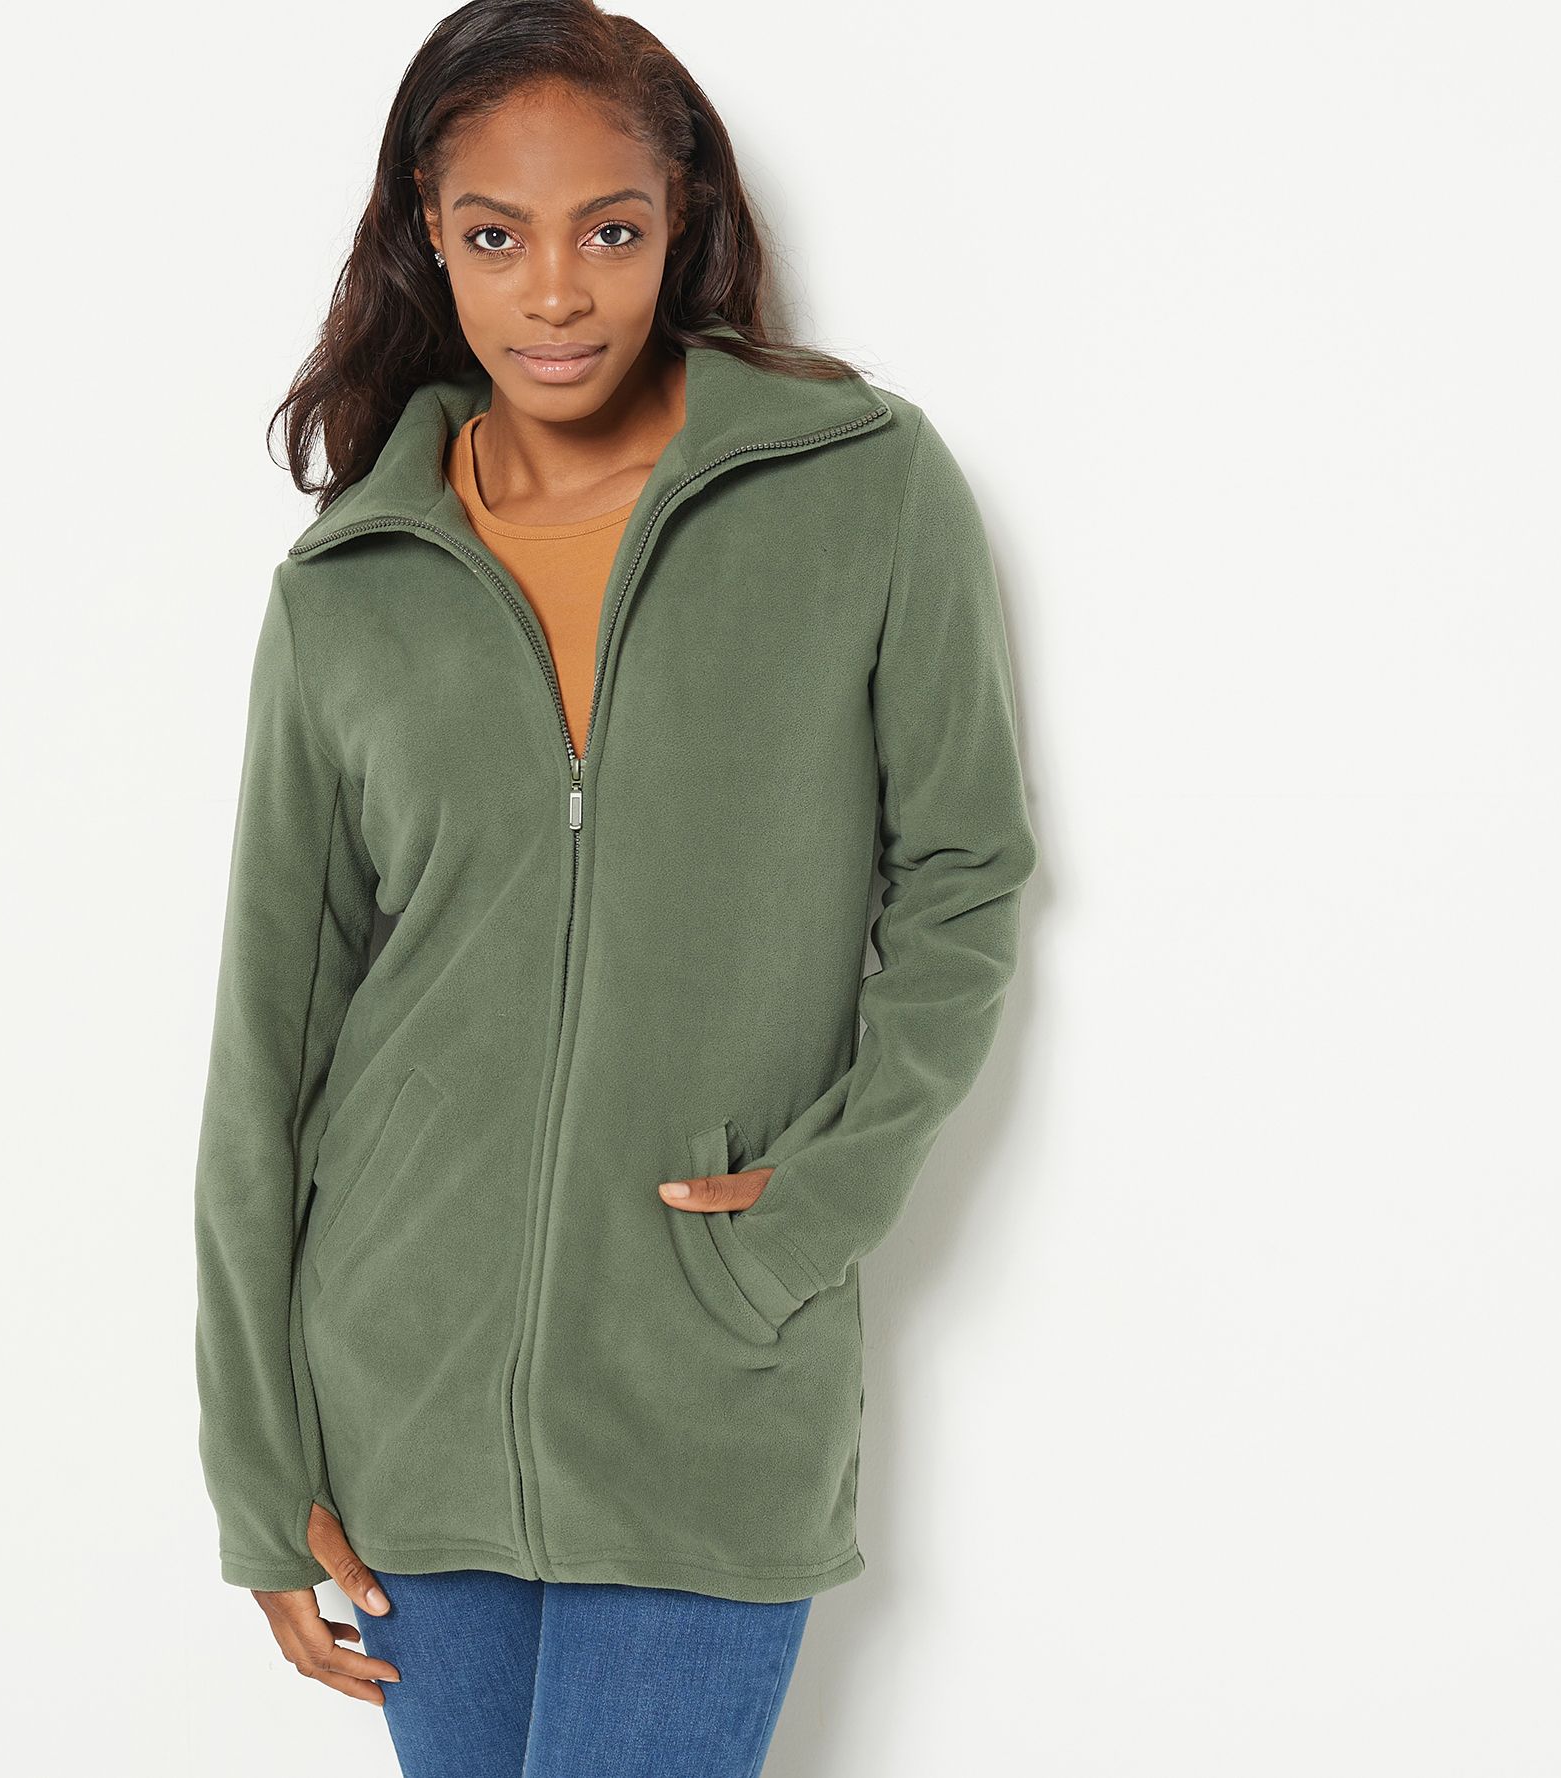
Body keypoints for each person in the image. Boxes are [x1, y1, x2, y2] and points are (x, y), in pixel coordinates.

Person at [192, 3, 1039, 1772]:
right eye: (498, 235)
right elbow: (270, 1035)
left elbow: (966, 875)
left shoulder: (860, 490)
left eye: (611, 229)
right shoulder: (352, 583)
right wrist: (257, 1457)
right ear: (429, 234)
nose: (558, 292)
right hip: (404, 1388)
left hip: (703, 1366)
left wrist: (813, 1208)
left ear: (683, 221)